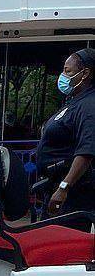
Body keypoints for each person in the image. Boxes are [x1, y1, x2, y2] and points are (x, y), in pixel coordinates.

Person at [36, 48, 95, 232]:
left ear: (85, 73)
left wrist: (64, 187)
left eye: (67, 71)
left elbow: (86, 151)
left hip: (72, 195)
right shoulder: (73, 101)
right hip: (53, 185)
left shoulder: (89, 105)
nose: (62, 76)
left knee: (62, 242)